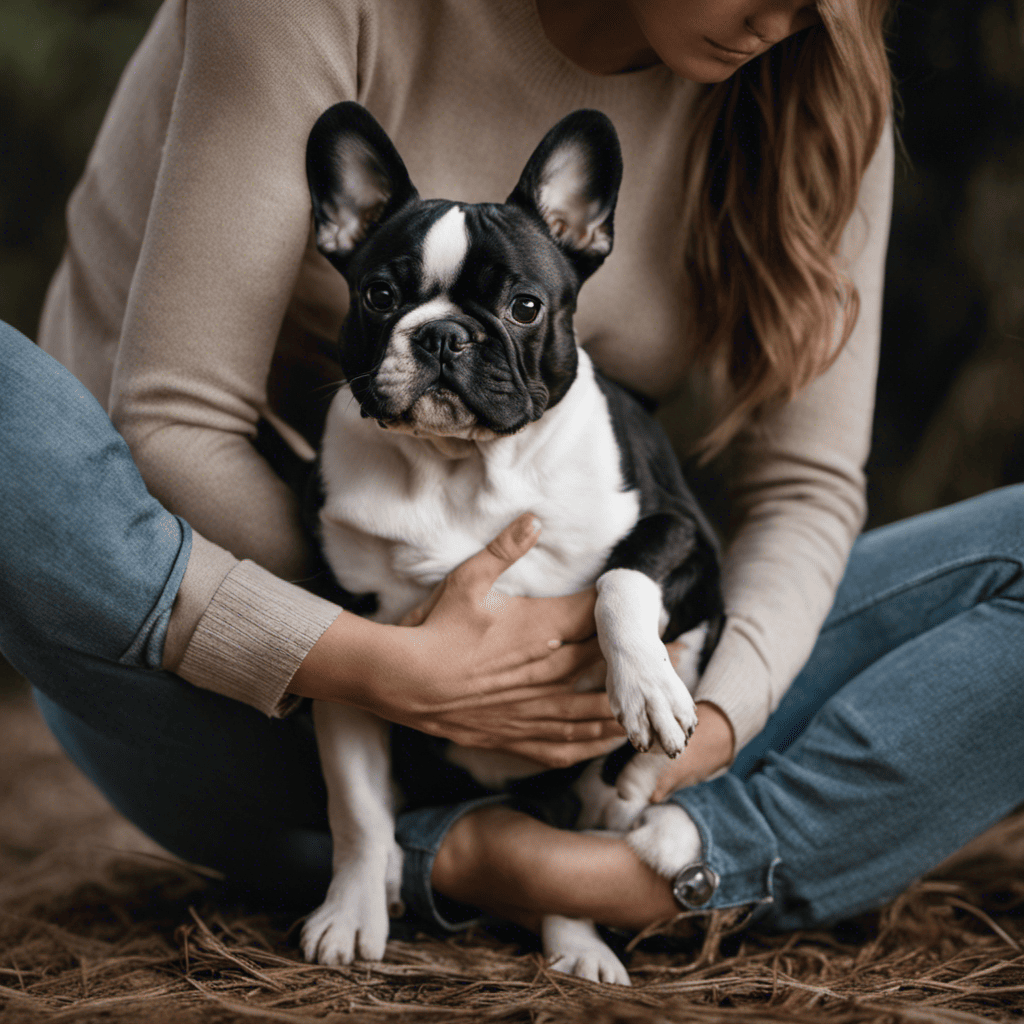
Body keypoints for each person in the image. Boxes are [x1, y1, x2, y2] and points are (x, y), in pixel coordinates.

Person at [14, 0, 1023, 947]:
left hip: (600, 715)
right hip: (251, 678)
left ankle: (617, 866)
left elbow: (803, 488)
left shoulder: (815, 82)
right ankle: (425, 843)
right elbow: (176, 421)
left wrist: (703, 722)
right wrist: (390, 658)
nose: (784, 18)